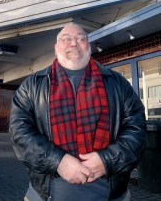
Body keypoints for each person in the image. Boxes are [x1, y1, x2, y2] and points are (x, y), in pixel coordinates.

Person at [9, 23, 147, 201]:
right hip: (44, 194)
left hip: (111, 194)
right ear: (56, 47)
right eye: (66, 39)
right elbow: (19, 132)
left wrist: (107, 160)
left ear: (88, 46)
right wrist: (57, 162)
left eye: (81, 39)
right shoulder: (32, 85)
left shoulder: (117, 83)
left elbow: (137, 128)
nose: (74, 43)